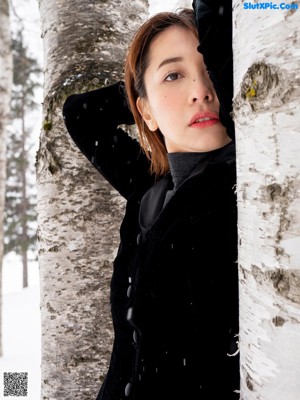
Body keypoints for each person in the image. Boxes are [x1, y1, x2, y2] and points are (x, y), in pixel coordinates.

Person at [63, 4, 239, 400]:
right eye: (175, 75)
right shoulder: (149, 189)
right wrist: (147, 93)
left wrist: (191, 75)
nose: (201, 91)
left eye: (210, 68)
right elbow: (80, 114)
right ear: (143, 109)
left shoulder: (245, 189)